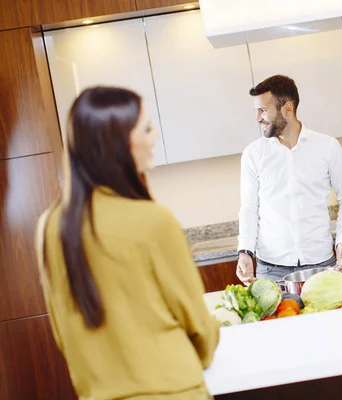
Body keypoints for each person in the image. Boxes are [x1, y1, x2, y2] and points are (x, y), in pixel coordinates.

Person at [36, 87, 220, 400]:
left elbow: (62, 332)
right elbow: (201, 328)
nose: (155, 137)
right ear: (118, 142)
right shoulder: (153, 220)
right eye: (147, 128)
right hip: (173, 390)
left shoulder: (50, 226)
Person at [236, 75, 342, 284]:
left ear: (287, 108)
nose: (257, 118)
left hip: (321, 264)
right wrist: (245, 252)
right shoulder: (253, 154)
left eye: (263, 110)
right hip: (271, 268)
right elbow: (249, 208)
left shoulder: (327, 147)